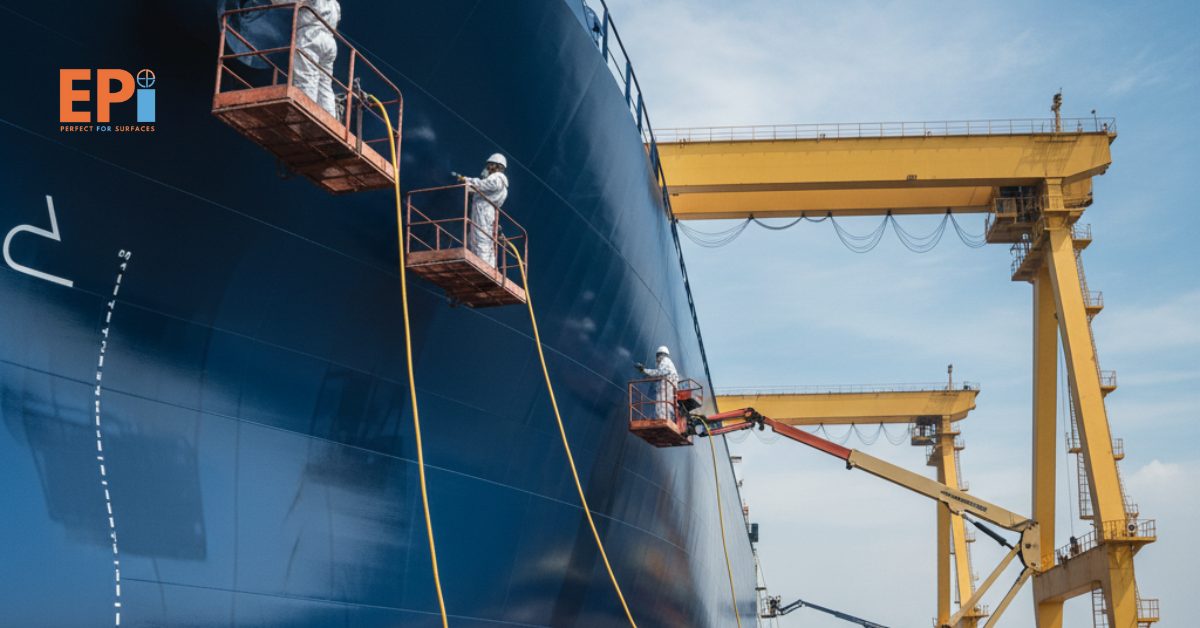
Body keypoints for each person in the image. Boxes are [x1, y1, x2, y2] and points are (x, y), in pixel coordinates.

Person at [282, 0, 341, 117]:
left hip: (310, 36)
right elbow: (337, 20)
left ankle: (304, 115)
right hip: (329, 41)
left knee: (306, 78)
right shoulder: (335, 4)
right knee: (325, 84)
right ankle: (329, 119)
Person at [456, 154, 509, 267]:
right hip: (486, 213)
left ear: (497, 166)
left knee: (481, 239)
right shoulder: (502, 185)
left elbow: (483, 185)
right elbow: (485, 190)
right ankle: (486, 264)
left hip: (483, 213)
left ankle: (484, 266)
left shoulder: (497, 178)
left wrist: (467, 180)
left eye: (490, 165)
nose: (487, 168)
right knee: (479, 239)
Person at [635, 346, 678, 421]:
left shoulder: (664, 361)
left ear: (660, 354)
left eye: (657, 356)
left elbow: (659, 372)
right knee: (668, 404)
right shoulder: (670, 364)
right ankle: (669, 419)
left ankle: (661, 419)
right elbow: (663, 374)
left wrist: (644, 370)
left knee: (661, 403)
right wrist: (650, 377)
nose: (657, 358)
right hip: (671, 386)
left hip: (666, 386)